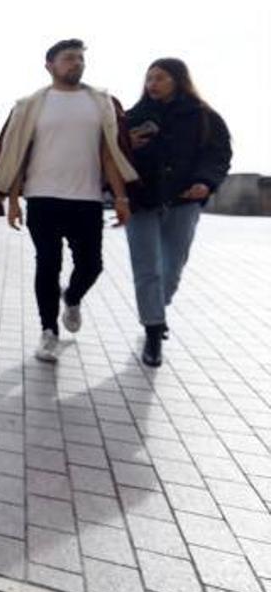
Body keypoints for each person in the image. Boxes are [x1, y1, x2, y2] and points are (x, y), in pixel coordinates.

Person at [0, 39, 139, 363]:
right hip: (42, 197)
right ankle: (48, 332)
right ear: (49, 65)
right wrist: (13, 200)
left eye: (81, 59)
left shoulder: (101, 102)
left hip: (87, 198)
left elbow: (110, 154)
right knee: (48, 264)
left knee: (92, 265)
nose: (77, 64)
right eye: (69, 58)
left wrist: (121, 197)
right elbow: (17, 154)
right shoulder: (32, 105)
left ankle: (73, 297)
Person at [123, 58, 231, 367]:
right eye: (149, 79)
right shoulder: (131, 117)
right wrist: (127, 143)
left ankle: (157, 310)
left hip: (184, 201)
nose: (152, 84)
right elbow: (111, 155)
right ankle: (153, 332)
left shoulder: (206, 117)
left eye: (160, 78)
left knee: (172, 268)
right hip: (141, 200)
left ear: (178, 80)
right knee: (147, 269)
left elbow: (219, 155)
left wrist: (205, 183)